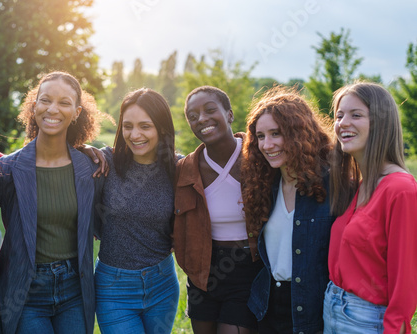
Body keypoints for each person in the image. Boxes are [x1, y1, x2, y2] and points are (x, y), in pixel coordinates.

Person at [0, 71, 103, 334]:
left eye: (64, 103)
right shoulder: (7, 168)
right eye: (45, 100)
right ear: (34, 107)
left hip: (74, 290)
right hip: (26, 291)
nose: (53, 109)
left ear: (77, 112)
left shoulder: (90, 167)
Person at [324, 82, 417, 334]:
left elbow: (405, 282)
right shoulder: (361, 185)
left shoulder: (401, 190)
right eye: (339, 115)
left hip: (367, 321)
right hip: (332, 308)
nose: (343, 123)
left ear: (380, 123)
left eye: (356, 115)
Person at [241, 86, 335, 334]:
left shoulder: (331, 185)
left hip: (312, 307)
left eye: (276, 134)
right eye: (260, 136)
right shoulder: (264, 186)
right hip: (268, 306)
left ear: (298, 134)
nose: (267, 144)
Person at [173, 86, 263, 334]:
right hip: (202, 272)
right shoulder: (185, 169)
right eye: (193, 116)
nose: (201, 119)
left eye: (210, 110)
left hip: (247, 269)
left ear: (230, 114)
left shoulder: (258, 158)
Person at [93, 88, 180, 334]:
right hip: (113, 287)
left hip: (162, 283)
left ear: (162, 128)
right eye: (128, 126)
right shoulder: (105, 162)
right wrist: (85, 149)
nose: (135, 134)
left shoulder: (178, 168)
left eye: (145, 126)